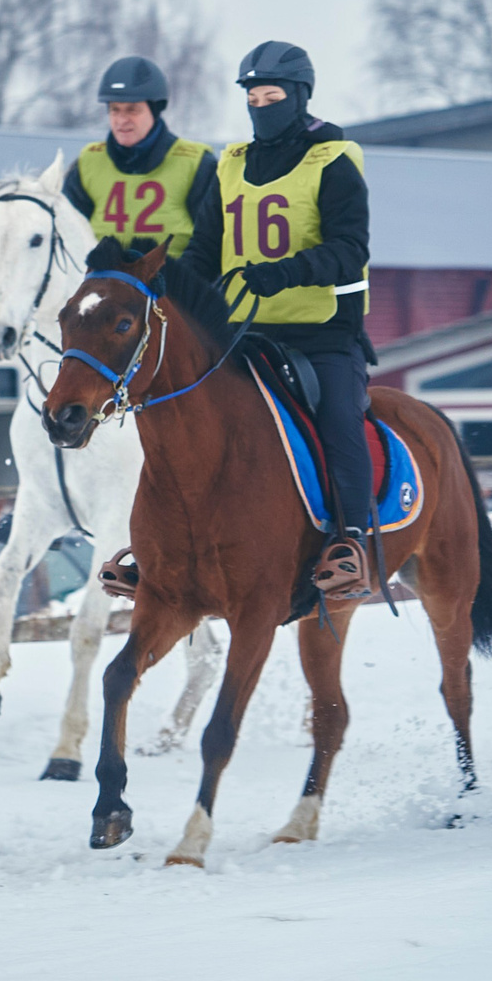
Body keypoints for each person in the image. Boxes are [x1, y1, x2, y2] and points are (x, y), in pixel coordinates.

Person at [183, 40, 378, 601]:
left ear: (299, 97)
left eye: (272, 96)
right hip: (243, 332)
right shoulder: (232, 164)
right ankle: (164, 543)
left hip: (322, 333)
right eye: (253, 96)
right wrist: (163, 285)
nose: (261, 105)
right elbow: (203, 251)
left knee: (339, 416)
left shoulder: (334, 159)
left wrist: (283, 273)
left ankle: (350, 542)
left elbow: (349, 248)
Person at [61, 55, 218, 264]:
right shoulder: (89, 161)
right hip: (100, 287)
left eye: (132, 110)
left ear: (154, 110)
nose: (121, 120)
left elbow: (210, 244)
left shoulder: (196, 164)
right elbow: (65, 233)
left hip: (170, 289)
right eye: (114, 109)